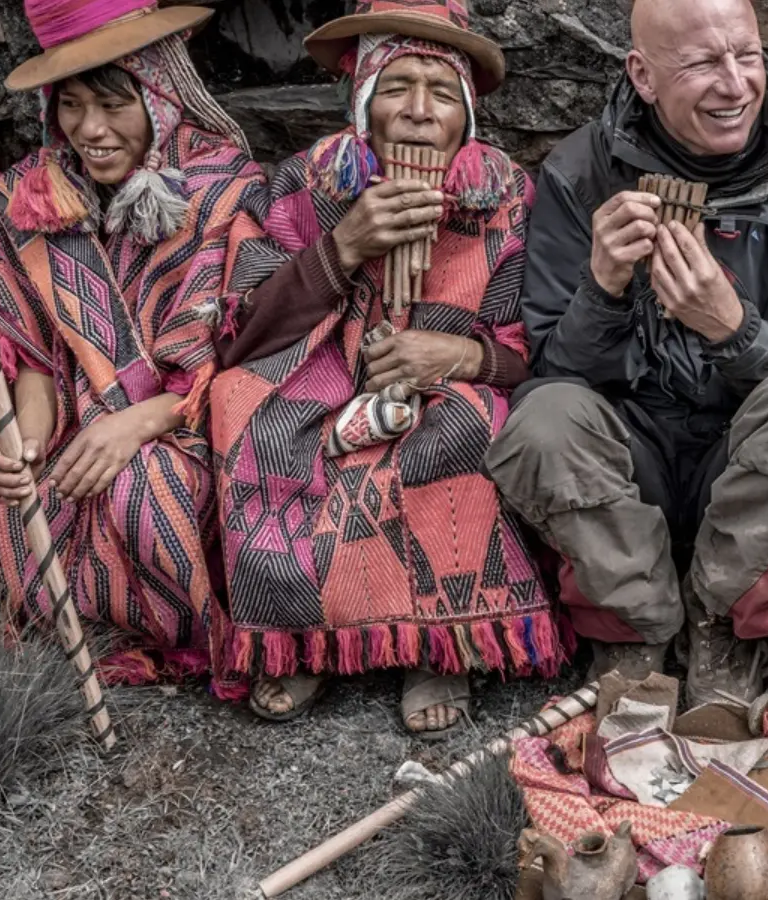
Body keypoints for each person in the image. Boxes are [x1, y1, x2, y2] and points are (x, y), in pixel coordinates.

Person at [483, 0, 768, 708]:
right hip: (633, 458)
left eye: (747, 55)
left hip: (750, 453)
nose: (735, 84)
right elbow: (555, 372)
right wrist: (602, 289)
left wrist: (733, 328)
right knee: (545, 418)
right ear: (643, 75)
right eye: (702, 63)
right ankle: (631, 639)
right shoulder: (579, 171)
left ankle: (728, 633)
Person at [209, 0, 559, 731]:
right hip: (318, 383)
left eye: (442, 93)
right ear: (364, 100)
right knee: (250, 413)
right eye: (396, 87)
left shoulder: (507, 198)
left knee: (464, 427)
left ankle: (439, 643)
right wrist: (342, 248)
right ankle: (303, 636)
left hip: (450, 391)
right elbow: (242, 335)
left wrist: (463, 355)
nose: (419, 112)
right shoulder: (303, 184)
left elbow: (545, 349)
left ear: (467, 113)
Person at [0, 0, 274, 683]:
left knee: (145, 490)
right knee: (8, 505)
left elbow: (241, 353)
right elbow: (36, 352)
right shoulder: (31, 196)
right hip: (77, 420)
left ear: (160, 94)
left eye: (112, 104)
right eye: (70, 105)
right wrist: (28, 444)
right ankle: (100, 632)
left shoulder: (225, 191)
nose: (90, 130)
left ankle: (192, 635)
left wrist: (134, 425)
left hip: (195, 423)